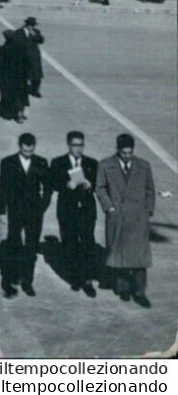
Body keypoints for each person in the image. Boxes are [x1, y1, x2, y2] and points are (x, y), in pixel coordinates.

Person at [95, 133, 156, 307]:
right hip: (118, 216)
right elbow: (100, 188)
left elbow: (150, 191)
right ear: (118, 150)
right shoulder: (106, 165)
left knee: (139, 258)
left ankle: (139, 292)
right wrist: (110, 208)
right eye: (124, 153)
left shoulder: (144, 166)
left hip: (138, 218)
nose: (127, 156)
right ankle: (122, 288)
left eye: (130, 153)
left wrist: (148, 212)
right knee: (119, 255)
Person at [0, 132, 52, 298]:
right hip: (15, 211)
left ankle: (27, 281)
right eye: (26, 150)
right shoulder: (8, 163)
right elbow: (2, 188)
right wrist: (1, 211)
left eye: (31, 150)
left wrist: (42, 206)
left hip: (35, 212)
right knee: (14, 244)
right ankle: (12, 277)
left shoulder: (41, 162)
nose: (29, 153)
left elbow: (48, 188)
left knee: (31, 247)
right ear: (20, 147)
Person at [49, 131, 100, 297]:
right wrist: (66, 185)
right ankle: (74, 277)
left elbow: (100, 185)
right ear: (69, 145)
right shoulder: (58, 163)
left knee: (87, 242)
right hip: (67, 209)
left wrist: (90, 184)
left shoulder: (92, 163)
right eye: (75, 145)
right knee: (69, 243)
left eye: (81, 145)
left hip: (86, 209)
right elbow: (52, 183)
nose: (78, 148)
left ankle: (87, 280)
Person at [0, 30, 31, 122]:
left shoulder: (2, 49)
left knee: (9, 95)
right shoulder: (21, 49)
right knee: (19, 96)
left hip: (6, 78)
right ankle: (18, 113)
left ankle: (13, 112)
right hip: (18, 78)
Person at [18, 17, 45, 100]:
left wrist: (35, 35)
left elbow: (41, 40)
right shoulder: (20, 32)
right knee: (23, 75)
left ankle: (35, 90)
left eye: (33, 25)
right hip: (23, 56)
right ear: (27, 25)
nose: (31, 27)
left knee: (37, 76)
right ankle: (22, 90)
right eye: (30, 25)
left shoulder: (36, 32)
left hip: (34, 56)